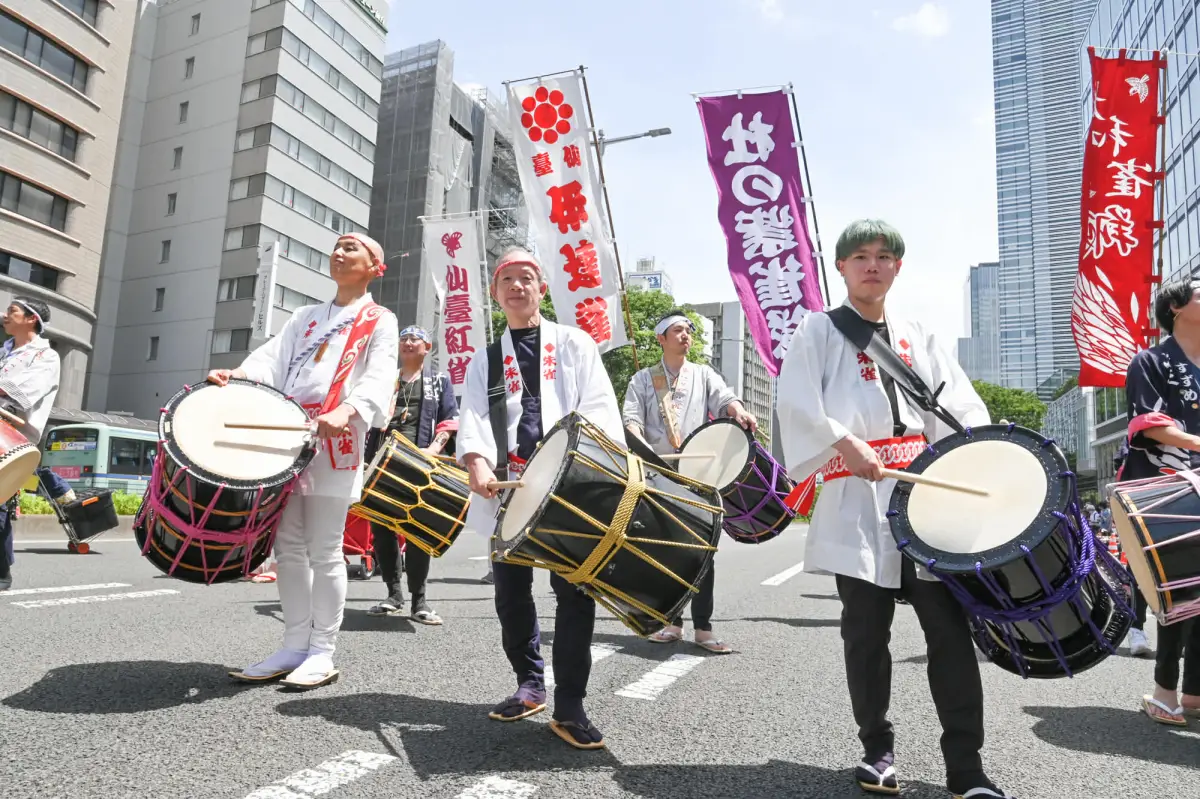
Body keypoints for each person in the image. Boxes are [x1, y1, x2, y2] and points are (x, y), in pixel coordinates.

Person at [777, 220, 1010, 798]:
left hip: (923, 495)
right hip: (857, 497)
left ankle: (965, 768)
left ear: (898, 268)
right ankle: (876, 748)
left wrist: (971, 457)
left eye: (884, 256)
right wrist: (840, 440)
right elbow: (796, 399)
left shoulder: (918, 335)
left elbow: (960, 408)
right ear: (841, 267)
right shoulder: (818, 331)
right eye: (860, 256)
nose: (872, 265)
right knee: (865, 632)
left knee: (949, 631)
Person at [457, 247, 623, 750]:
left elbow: (598, 408)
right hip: (507, 490)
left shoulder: (573, 343)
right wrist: (477, 462)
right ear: (495, 292)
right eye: (506, 278)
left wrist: (583, 468)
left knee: (574, 595)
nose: (516, 286)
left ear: (541, 289)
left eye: (526, 278)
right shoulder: (485, 359)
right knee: (511, 593)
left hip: (568, 487)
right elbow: (474, 420)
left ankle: (570, 704)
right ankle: (529, 683)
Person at [215, 234, 398, 689]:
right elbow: (271, 360)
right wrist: (237, 375)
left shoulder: (379, 319)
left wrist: (348, 411)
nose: (339, 253)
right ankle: (293, 644)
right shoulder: (305, 317)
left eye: (352, 249)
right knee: (287, 548)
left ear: (375, 266)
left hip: (335, 439)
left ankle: (322, 651)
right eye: (336, 246)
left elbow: (378, 377)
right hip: (289, 434)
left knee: (325, 548)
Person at [622, 308, 756, 653]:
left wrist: (738, 410)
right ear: (661, 339)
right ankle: (672, 623)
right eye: (678, 331)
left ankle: (704, 628)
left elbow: (725, 399)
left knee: (704, 552)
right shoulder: (642, 379)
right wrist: (637, 443)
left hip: (698, 476)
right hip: (659, 474)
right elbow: (631, 419)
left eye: (689, 331)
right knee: (666, 551)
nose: (686, 336)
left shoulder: (703, 374)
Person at [1120, 278, 1200, 725]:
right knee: (1182, 590)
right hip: (1167, 489)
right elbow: (1149, 426)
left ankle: (1194, 694)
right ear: (1175, 307)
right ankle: (1164, 691)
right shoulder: (1150, 361)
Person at [364, 324, 459, 624]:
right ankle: (393, 593)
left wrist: (434, 449)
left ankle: (420, 601)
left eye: (414, 338)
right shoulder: (386, 379)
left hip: (420, 460)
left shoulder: (438, 380)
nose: (407, 342)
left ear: (427, 347)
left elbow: (449, 419)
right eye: (403, 338)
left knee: (419, 529)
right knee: (381, 528)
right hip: (381, 460)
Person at [0, 297, 75, 592]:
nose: (5, 315)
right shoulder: (5, 350)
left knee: (0, 500)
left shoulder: (45, 356)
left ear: (31, 319)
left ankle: (2, 570)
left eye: (12, 311)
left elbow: (24, 394)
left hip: (12, 435)